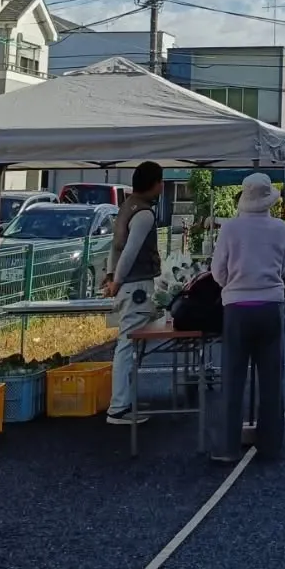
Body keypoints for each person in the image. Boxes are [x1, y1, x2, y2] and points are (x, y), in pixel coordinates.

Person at [209, 172, 285, 465]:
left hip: (237, 307)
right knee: (271, 379)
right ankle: (271, 444)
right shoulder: (280, 228)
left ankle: (226, 447)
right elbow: (282, 266)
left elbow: (218, 271)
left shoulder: (230, 228)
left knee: (232, 378)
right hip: (271, 305)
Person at [102, 162, 165, 426]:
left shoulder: (126, 207)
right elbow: (130, 251)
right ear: (154, 184)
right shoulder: (145, 214)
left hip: (127, 285)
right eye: (161, 181)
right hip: (136, 286)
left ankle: (123, 401)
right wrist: (116, 280)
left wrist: (110, 275)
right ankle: (118, 407)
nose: (163, 186)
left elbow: (115, 247)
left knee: (128, 345)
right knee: (127, 346)